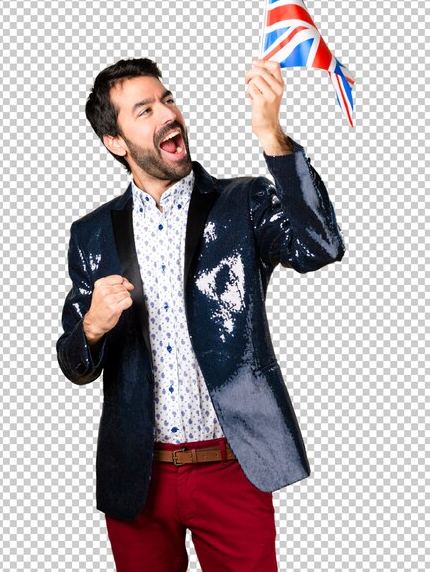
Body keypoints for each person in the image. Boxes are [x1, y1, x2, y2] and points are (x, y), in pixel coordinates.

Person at [56, 56, 345, 572]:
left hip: (234, 469)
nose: (167, 114)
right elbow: (75, 362)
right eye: (144, 110)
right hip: (137, 479)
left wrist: (272, 134)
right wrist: (92, 326)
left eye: (167, 100)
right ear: (115, 142)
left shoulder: (245, 202)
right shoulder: (91, 234)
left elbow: (319, 244)